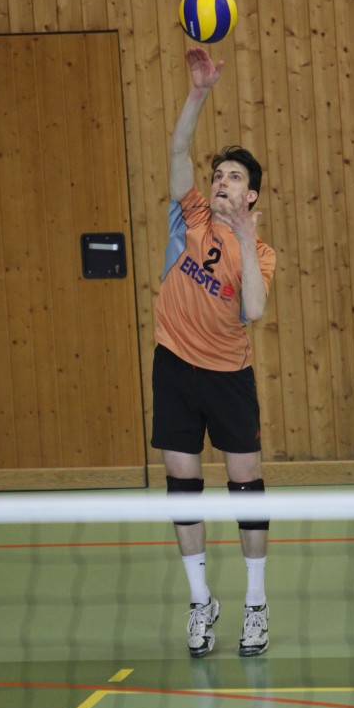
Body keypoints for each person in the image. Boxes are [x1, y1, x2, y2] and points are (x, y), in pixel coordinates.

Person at [151, 45, 276, 658]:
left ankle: (255, 604)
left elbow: (253, 309)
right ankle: (201, 601)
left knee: (246, 486)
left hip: (228, 376)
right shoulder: (193, 217)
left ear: (251, 197)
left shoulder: (262, 253)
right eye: (220, 174)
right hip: (175, 365)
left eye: (235, 178)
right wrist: (198, 93)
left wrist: (246, 240)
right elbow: (179, 152)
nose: (222, 181)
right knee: (182, 483)